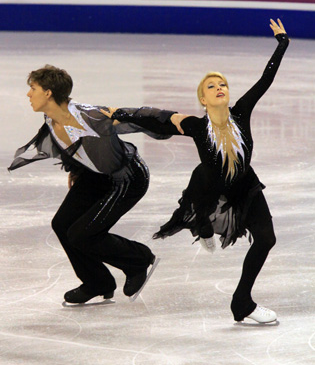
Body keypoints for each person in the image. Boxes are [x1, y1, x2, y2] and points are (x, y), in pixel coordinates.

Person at [103, 19, 290, 323]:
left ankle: (242, 302)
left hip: (246, 187)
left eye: (223, 84)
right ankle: (203, 226)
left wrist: (282, 43)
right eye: (211, 86)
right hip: (208, 187)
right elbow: (156, 119)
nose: (219, 88)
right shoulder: (196, 126)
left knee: (266, 239)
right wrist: (118, 114)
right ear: (203, 99)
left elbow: (264, 81)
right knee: (201, 218)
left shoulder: (242, 112)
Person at [8, 65, 174, 304]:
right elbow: (76, 147)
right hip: (94, 175)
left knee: (82, 234)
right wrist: (76, 170)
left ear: (48, 93)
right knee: (62, 224)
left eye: (32, 88)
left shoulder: (90, 116)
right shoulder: (51, 118)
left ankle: (139, 260)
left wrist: (182, 122)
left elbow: (137, 115)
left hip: (127, 178)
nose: (28, 94)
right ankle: (98, 282)